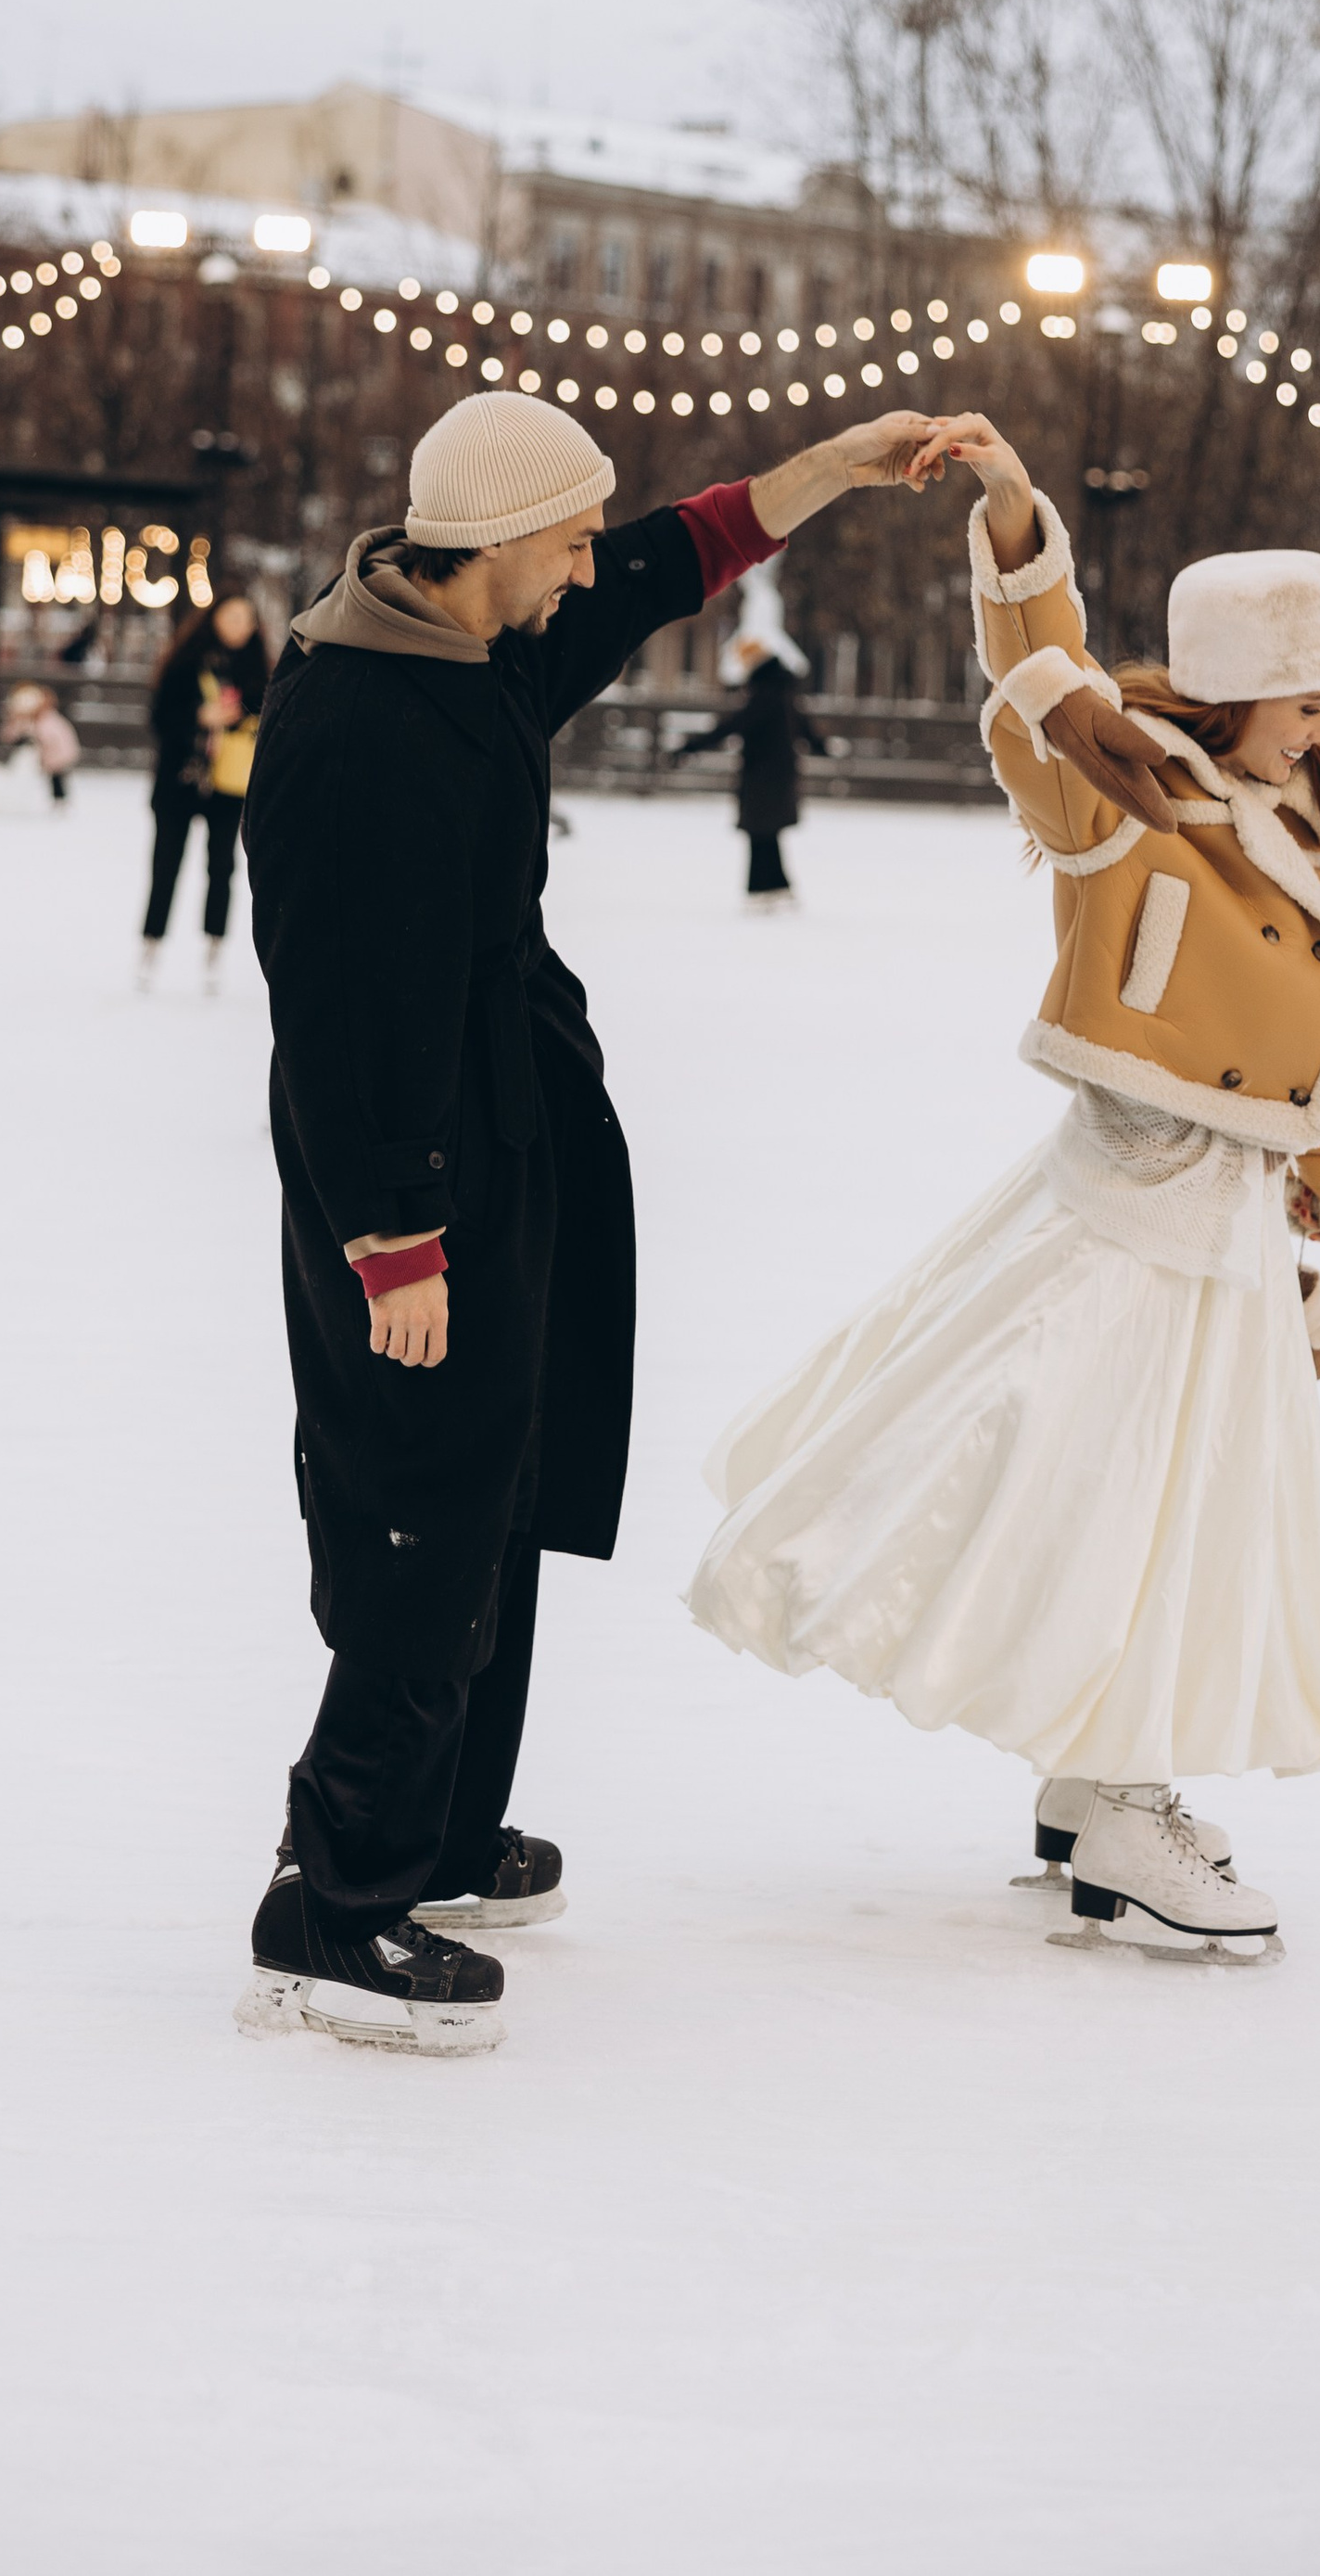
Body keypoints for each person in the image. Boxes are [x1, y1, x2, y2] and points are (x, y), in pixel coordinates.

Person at [238, 387, 939, 2051]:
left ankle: (442, 1830)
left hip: (501, 1137)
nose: (582, 564)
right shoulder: (359, 722)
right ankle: (331, 1900)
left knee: (502, 1480)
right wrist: (391, 1240)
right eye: (562, 533)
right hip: (409, 1184)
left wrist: (828, 474)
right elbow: (338, 1010)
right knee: (422, 1502)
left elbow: (648, 572)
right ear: (490, 539)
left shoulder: (468, 653)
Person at [688, 407, 1320, 1965]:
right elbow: (1040, 661)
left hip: (1221, 1225)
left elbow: (1313, 1056)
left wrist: (1304, 1235)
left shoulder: (1305, 827)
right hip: (1129, 1219)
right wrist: (1012, 508)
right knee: (1134, 1503)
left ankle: (1096, 1793)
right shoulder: (1126, 809)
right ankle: (1128, 1796)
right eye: (1300, 688)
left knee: (1167, 1506)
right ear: (1224, 688)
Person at [141, 593, 271, 987]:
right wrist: (200, 716)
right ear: (213, 618)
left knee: (222, 867)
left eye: (246, 619)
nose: (239, 626)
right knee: (166, 866)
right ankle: (150, 947)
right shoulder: (184, 662)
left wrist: (237, 717)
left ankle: (214, 950)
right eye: (231, 617)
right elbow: (160, 716)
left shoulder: (258, 669)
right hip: (181, 778)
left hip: (229, 783)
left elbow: (265, 716)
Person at [673, 580, 820, 907]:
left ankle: (763, 889)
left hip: (763, 777)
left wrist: (691, 747)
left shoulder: (763, 697)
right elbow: (804, 727)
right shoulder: (781, 692)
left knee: (761, 832)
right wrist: (821, 745)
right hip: (776, 775)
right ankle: (774, 887)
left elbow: (730, 727)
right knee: (767, 834)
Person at [0, 679, 82, 804]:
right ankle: (55, 800)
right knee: (54, 779)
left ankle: (59, 800)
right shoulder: (39, 719)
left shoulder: (47, 720)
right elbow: (11, 734)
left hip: (57, 755)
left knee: (56, 778)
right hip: (55, 755)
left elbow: (49, 740)